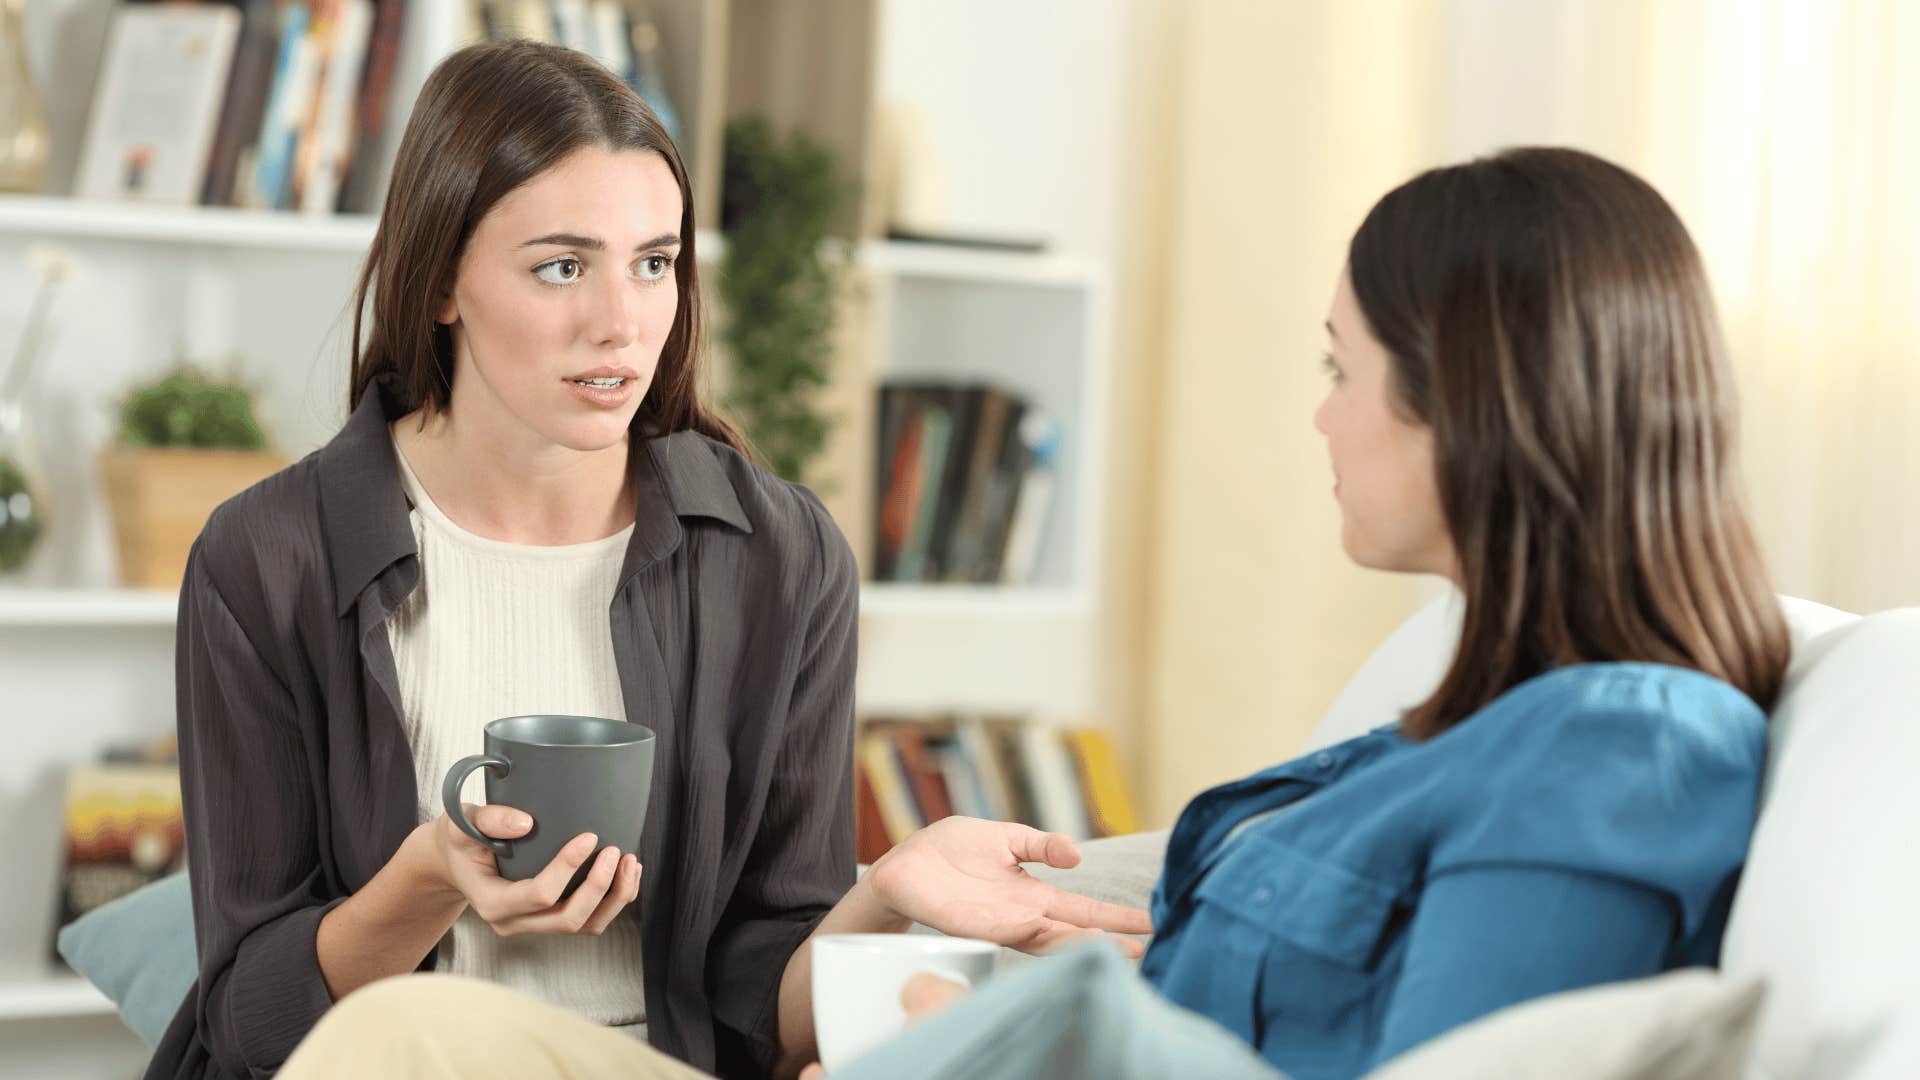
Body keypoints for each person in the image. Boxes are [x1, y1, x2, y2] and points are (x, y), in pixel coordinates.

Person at [275, 142, 1794, 1080]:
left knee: (412, 1048)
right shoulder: (1445, 730)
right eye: (562, 267)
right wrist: (937, 981)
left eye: (1343, 371)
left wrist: (991, 1033)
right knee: (411, 1039)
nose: (1321, 421)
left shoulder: (1621, 752)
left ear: (1473, 403)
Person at [150, 40, 1147, 1080]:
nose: (622, 323)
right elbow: (254, 1025)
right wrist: (429, 878)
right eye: (561, 267)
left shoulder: (778, 556)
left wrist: (884, 893)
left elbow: (769, 1004)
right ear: (441, 281)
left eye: (655, 263)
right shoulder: (269, 557)